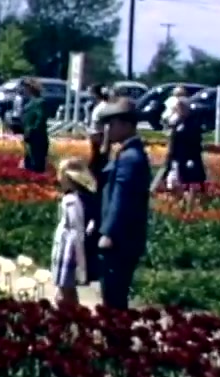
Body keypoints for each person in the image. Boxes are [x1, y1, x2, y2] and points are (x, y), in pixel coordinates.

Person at [98, 98, 152, 310]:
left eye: (112, 124)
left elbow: (122, 196)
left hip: (122, 239)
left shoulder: (130, 157)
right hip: (125, 237)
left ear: (127, 126)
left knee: (114, 293)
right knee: (112, 292)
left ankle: (116, 337)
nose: (107, 129)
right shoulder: (126, 152)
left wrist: (109, 232)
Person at [51, 158, 98, 304]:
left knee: (66, 288)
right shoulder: (81, 198)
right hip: (66, 245)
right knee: (67, 289)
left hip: (68, 248)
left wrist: (80, 262)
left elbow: (76, 230)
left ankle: (70, 315)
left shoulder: (71, 200)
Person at [164, 97, 207, 196]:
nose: (180, 110)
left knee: (190, 184)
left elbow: (195, 144)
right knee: (173, 184)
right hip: (176, 159)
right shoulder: (176, 122)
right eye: (179, 108)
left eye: (182, 108)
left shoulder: (193, 124)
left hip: (189, 159)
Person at [21, 78, 49, 173]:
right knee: (28, 162)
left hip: (37, 138)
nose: (24, 91)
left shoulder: (40, 102)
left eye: (25, 88)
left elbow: (40, 119)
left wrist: (32, 130)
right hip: (29, 137)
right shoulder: (30, 102)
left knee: (36, 164)